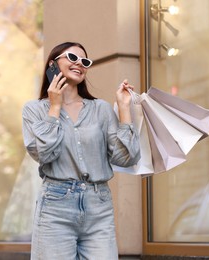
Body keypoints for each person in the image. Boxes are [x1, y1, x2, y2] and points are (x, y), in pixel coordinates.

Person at [22, 42, 141, 259]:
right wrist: (54, 107)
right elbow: (44, 155)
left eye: (84, 61)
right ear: (52, 65)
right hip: (56, 206)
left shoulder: (101, 109)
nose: (79, 64)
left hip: (99, 205)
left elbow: (126, 158)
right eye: (72, 58)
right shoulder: (34, 110)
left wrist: (123, 108)